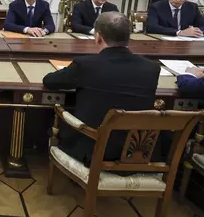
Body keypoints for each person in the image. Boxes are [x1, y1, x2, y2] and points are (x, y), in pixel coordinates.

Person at [43, 12, 160, 166]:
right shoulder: (152, 67)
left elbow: (50, 81)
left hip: (91, 150)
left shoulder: (86, 65)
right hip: (136, 152)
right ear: (128, 37)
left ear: (98, 37)